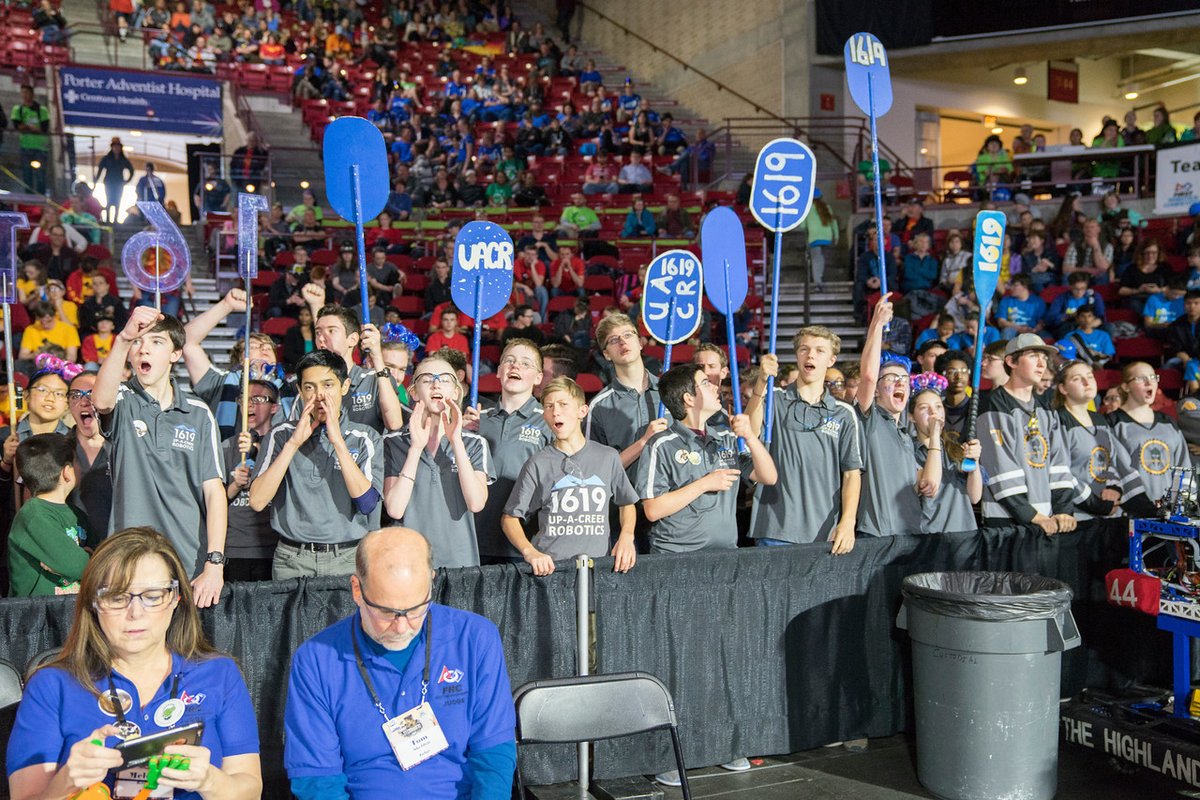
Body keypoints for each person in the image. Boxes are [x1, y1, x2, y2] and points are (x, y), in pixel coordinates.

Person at [6, 528, 262, 799]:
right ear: (93, 603)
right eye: (117, 597)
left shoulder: (219, 674)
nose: (135, 613)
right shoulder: (51, 685)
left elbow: (251, 789)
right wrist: (66, 781)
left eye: (153, 596)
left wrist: (210, 780)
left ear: (176, 598)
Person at [284, 527, 515, 799]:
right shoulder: (316, 660)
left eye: (416, 609)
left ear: (432, 582)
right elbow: (317, 781)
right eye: (387, 612)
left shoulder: (475, 639)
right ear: (357, 590)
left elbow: (494, 755)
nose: (402, 626)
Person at [92, 307, 226, 607]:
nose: (143, 349)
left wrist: (215, 562)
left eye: (155, 342)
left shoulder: (198, 412)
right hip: (129, 558)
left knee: (184, 650)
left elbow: (214, 491)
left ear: (175, 354)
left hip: (187, 560)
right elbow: (100, 401)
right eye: (138, 343)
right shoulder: (123, 400)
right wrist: (124, 337)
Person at [249, 350, 383, 579]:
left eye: (328, 385)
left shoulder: (364, 437)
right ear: (300, 391)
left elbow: (367, 503)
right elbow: (258, 501)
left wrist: (338, 442)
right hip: (292, 559)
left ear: (344, 386)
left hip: (347, 557)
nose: (320, 395)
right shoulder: (281, 435)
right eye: (310, 387)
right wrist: (293, 444)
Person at [502, 377, 638, 574]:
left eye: (563, 404)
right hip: (552, 571)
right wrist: (530, 552)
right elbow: (509, 518)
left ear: (582, 411)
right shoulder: (537, 463)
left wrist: (626, 536)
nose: (555, 411)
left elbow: (627, 502)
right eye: (548, 406)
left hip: (597, 568)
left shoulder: (608, 457)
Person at [745, 328, 862, 553]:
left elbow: (851, 474)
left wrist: (848, 522)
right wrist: (761, 382)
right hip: (775, 530)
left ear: (831, 360)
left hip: (826, 533)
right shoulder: (774, 399)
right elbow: (748, 432)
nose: (810, 355)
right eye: (804, 349)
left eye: (819, 351)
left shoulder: (844, 413)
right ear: (797, 356)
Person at [638, 362, 776, 553]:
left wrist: (750, 437)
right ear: (689, 398)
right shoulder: (661, 444)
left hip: (725, 553)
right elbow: (653, 510)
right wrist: (704, 484)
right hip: (676, 557)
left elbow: (768, 476)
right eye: (705, 382)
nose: (714, 386)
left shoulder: (726, 439)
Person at [383, 357, 493, 568]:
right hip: (411, 563)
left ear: (456, 391)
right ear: (413, 392)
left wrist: (456, 441)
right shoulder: (393, 443)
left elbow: (476, 503)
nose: (435, 384)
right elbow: (395, 509)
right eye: (426, 379)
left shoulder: (475, 444)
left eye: (444, 379)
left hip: (461, 562)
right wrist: (415, 448)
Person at [976, 334, 1077, 532]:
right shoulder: (992, 405)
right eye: (1033, 356)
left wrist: (1063, 510)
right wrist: (1031, 515)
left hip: (1047, 519)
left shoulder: (1047, 410)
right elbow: (999, 467)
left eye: (1044, 357)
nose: (1042, 363)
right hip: (1005, 521)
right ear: (1011, 361)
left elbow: (1059, 463)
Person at [469, 340, 551, 564]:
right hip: (476, 538)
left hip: (525, 544)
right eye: (509, 361)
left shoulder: (548, 420)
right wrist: (459, 434)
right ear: (498, 371)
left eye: (526, 364)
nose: (515, 366)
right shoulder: (476, 420)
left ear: (538, 377)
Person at [854, 295, 922, 538]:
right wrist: (877, 325)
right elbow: (869, 377)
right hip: (876, 535)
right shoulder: (867, 418)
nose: (899, 383)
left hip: (911, 532)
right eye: (891, 379)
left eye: (904, 379)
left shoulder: (906, 432)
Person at [1054, 360, 1152, 519]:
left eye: (1089, 376)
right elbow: (1061, 473)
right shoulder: (1057, 420)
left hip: (1107, 514)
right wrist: (1094, 503)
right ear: (1063, 388)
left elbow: (1113, 462)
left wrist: (1114, 487)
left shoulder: (1100, 420)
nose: (1087, 382)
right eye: (1077, 379)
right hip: (1076, 517)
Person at [304, 287, 405, 433]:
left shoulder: (373, 380)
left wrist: (377, 356)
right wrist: (316, 306)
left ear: (352, 339)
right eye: (318, 332)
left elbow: (394, 423)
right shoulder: (310, 384)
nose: (321, 338)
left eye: (331, 331)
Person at [7, 433, 93, 596]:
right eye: (77, 462)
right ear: (67, 472)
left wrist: (89, 556)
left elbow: (100, 553)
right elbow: (75, 565)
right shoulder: (33, 516)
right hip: (38, 615)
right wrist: (86, 557)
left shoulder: (76, 514)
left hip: (68, 610)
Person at [586, 313, 666, 468]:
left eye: (628, 335)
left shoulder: (670, 391)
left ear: (641, 342)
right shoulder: (598, 407)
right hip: (627, 491)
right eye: (614, 340)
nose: (622, 342)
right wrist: (643, 442)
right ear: (606, 354)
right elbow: (596, 471)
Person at [1108, 361, 1190, 505]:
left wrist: (1179, 506)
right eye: (1141, 378)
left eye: (1153, 377)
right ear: (1126, 386)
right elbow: (1113, 471)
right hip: (1127, 515)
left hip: (1168, 516)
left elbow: (1183, 468)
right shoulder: (1112, 423)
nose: (1149, 382)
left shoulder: (1168, 423)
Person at [908, 373, 982, 534]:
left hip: (964, 534)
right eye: (924, 408)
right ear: (911, 417)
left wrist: (974, 463)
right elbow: (929, 486)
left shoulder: (955, 448)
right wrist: (934, 436)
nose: (933, 413)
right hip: (930, 537)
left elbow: (974, 497)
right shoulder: (907, 450)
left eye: (938, 406)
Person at [221, 380, 278, 582]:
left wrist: (256, 448)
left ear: (274, 407)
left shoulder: (283, 443)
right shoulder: (226, 447)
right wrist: (235, 485)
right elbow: (213, 502)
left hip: (274, 549)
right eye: (244, 399)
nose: (250, 405)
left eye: (258, 399)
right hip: (235, 549)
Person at [68, 371, 112, 543]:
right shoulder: (57, 450)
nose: (85, 402)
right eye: (76, 395)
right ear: (69, 403)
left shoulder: (124, 449)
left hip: (112, 548)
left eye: (92, 394)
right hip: (70, 549)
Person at [11, 85, 50, 195]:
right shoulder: (17, 109)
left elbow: (44, 128)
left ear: (32, 94)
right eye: (23, 92)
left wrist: (27, 127)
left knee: (40, 175)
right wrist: (32, 128)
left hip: (40, 147)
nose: (25, 95)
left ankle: (41, 196)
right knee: (27, 174)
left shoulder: (42, 110)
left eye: (27, 92)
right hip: (25, 146)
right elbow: (17, 125)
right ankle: (29, 196)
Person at [94, 137, 135, 224]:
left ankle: (115, 220)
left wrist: (127, 181)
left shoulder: (123, 159)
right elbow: (100, 170)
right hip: (109, 183)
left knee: (117, 201)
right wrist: (95, 181)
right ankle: (108, 220)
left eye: (118, 147)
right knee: (109, 201)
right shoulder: (106, 158)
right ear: (112, 147)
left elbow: (131, 170)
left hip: (119, 183)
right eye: (115, 146)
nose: (116, 149)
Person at [804, 188, 838, 290]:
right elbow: (833, 222)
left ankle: (818, 283)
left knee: (816, 260)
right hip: (827, 237)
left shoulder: (807, 209)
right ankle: (821, 278)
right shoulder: (827, 207)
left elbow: (802, 226)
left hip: (814, 238)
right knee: (822, 259)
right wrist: (836, 236)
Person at [994, 274, 1046, 340]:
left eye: (1015, 285)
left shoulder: (1037, 302)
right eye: (1011, 285)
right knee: (1007, 332)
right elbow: (1001, 322)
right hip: (1013, 329)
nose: (1011, 288)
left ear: (1025, 286)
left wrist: (1035, 330)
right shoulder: (1006, 300)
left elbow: (1041, 322)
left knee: (1045, 336)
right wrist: (1019, 328)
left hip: (1032, 330)